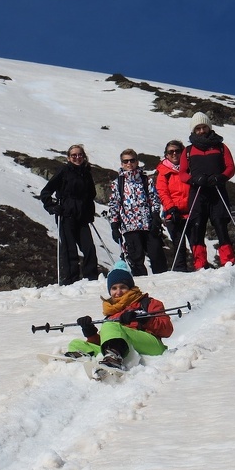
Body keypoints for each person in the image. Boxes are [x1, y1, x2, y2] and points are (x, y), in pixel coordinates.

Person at [67, 261, 174, 371]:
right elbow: (106, 340)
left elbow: (167, 330)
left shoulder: (148, 303)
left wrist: (143, 319)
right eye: (114, 288)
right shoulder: (112, 313)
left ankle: (114, 358)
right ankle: (81, 357)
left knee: (109, 326)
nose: (118, 292)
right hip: (124, 346)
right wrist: (90, 332)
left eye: (123, 287)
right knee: (75, 343)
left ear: (130, 288)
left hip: (152, 346)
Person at [179, 112, 235, 270]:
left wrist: (220, 177)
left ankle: (228, 262)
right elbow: (182, 173)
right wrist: (194, 179)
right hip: (197, 192)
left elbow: (230, 167)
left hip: (217, 191)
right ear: (194, 130)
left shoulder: (221, 147)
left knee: (220, 225)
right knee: (197, 226)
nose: (201, 130)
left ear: (209, 127)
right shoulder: (188, 151)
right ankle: (200, 264)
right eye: (198, 128)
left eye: (204, 127)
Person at [40, 144, 99, 285]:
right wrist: (52, 207)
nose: (77, 158)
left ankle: (92, 279)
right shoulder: (64, 171)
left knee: (89, 248)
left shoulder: (86, 172)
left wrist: (90, 213)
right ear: (69, 158)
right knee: (69, 249)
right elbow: (46, 192)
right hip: (66, 216)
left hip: (82, 217)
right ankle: (71, 281)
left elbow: (91, 195)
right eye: (74, 155)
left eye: (80, 155)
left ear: (84, 156)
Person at [108, 149, 168, 276]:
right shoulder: (117, 183)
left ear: (137, 161)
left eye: (132, 160)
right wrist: (114, 225)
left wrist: (156, 216)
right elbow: (114, 205)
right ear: (122, 163)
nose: (129, 163)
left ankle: (163, 281)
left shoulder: (146, 180)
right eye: (126, 161)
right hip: (129, 227)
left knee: (157, 255)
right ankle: (141, 285)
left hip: (148, 224)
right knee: (136, 259)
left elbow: (154, 199)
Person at [155, 140, 192, 272]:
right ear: (166, 155)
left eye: (177, 151)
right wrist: (171, 208)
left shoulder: (190, 168)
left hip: (191, 212)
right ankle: (180, 271)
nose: (174, 154)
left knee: (196, 243)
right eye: (171, 152)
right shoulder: (163, 172)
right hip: (173, 214)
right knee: (179, 245)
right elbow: (162, 191)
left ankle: (202, 268)